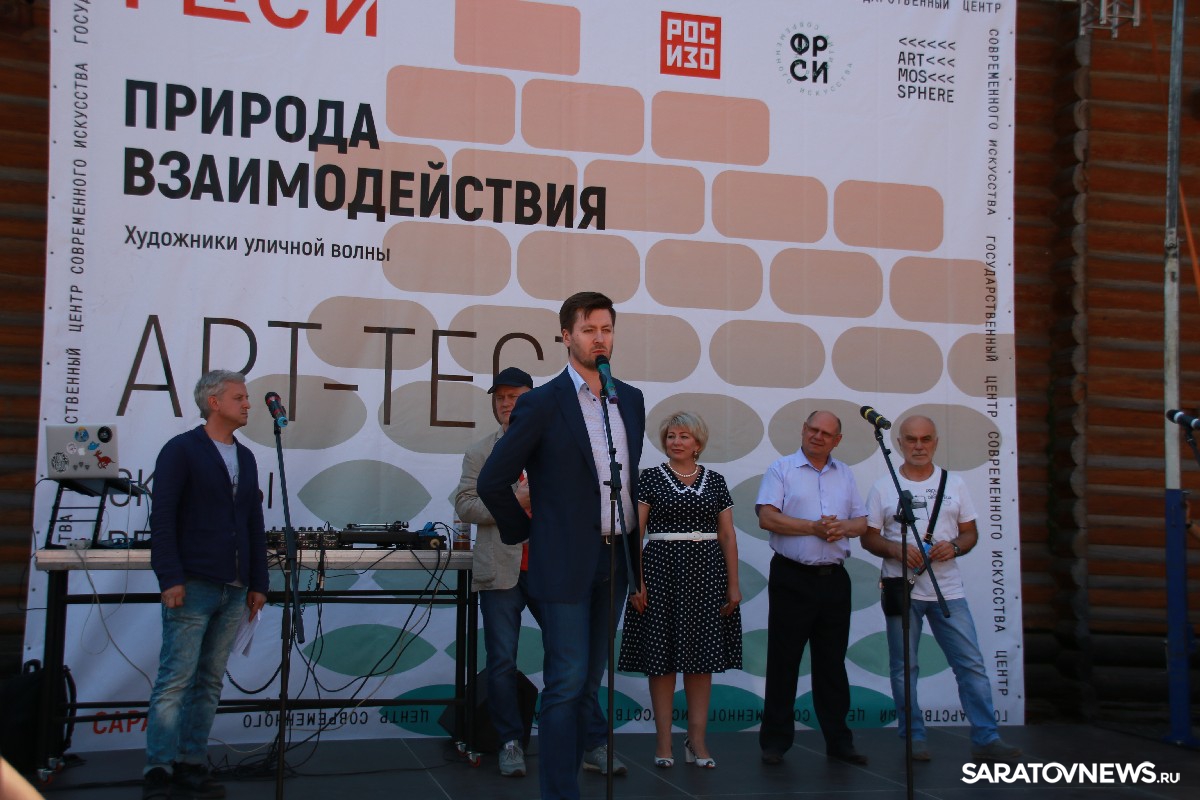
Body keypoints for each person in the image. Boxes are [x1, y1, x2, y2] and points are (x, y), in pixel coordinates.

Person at [477, 291, 644, 800]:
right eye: (589, 330)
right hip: (565, 561)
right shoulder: (543, 402)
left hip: (616, 559)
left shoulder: (630, 399)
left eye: (606, 329)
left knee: (589, 683)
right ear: (567, 336)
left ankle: (569, 778)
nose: (599, 338)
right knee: (567, 680)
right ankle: (558, 792)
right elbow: (492, 481)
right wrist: (527, 532)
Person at [860, 415, 1021, 762]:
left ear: (936, 442)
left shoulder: (955, 483)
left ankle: (986, 736)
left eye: (926, 439)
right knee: (905, 668)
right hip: (901, 589)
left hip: (948, 589)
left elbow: (970, 532)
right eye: (911, 439)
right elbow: (869, 537)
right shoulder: (883, 486)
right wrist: (896, 549)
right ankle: (913, 737)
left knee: (970, 664)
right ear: (899, 443)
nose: (919, 446)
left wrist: (956, 547)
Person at [143, 370, 269, 800]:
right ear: (213, 402)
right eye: (239, 397)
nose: (247, 404)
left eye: (247, 398)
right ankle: (159, 767)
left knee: (211, 679)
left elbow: (253, 522)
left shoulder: (246, 457)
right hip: (194, 581)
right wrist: (170, 577)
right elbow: (162, 517)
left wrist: (258, 583)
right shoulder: (181, 450)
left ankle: (191, 761)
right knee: (175, 678)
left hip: (234, 588)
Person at [618, 411, 742, 769]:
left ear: (698, 443)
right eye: (671, 436)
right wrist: (637, 582)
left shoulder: (715, 481)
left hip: (707, 575)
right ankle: (663, 743)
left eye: (684, 436)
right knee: (662, 661)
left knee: (701, 661)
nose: (676, 442)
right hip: (661, 573)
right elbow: (637, 532)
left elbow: (727, 534)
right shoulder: (650, 478)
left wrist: (733, 585)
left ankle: (697, 741)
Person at [755, 410, 868, 766]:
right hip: (792, 577)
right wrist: (813, 527)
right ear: (803, 430)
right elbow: (766, 517)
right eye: (813, 429)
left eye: (826, 433)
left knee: (832, 663)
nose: (818, 436)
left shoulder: (845, 473)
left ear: (837, 440)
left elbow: (862, 522)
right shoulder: (782, 469)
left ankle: (839, 741)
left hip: (834, 579)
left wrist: (841, 528)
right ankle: (775, 742)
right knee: (784, 660)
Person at [453, 366, 537, 776]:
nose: (506, 403)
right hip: (501, 569)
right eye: (500, 397)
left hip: (551, 567)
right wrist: (513, 501)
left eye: (514, 396)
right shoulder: (481, 451)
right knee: (502, 660)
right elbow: (465, 505)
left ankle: (586, 740)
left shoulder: (553, 446)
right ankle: (509, 742)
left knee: (570, 655)